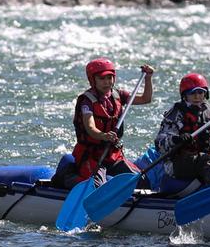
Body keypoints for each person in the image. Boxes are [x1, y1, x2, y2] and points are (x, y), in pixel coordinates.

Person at [66, 58, 154, 187]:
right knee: (97, 186)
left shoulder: (118, 95)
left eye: (110, 77)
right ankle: (68, 179)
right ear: (92, 80)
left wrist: (148, 78)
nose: (107, 82)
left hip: (112, 155)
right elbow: (90, 127)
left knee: (142, 181)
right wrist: (104, 135)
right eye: (102, 79)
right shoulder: (87, 101)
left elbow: (146, 99)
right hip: (91, 156)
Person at [154, 72, 210, 190]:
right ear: (185, 95)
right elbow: (159, 143)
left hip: (204, 160)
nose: (197, 97)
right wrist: (176, 139)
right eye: (192, 93)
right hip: (176, 164)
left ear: (205, 93)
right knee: (205, 160)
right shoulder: (176, 113)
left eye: (200, 92)